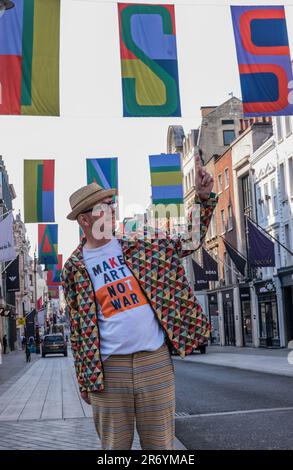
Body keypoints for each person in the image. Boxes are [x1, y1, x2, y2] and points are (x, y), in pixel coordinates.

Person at [62, 156, 216, 450]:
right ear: (84, 220)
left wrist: (203, 198)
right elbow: (79, 327)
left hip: (154, 361)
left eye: (111, 204)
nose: (111, 210)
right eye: (103, 206)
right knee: (114, 449)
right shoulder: (74, 268)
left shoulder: (141, 243)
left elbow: (189, 240)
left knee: (160, 448)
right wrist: (85, 378)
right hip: (108, 371)